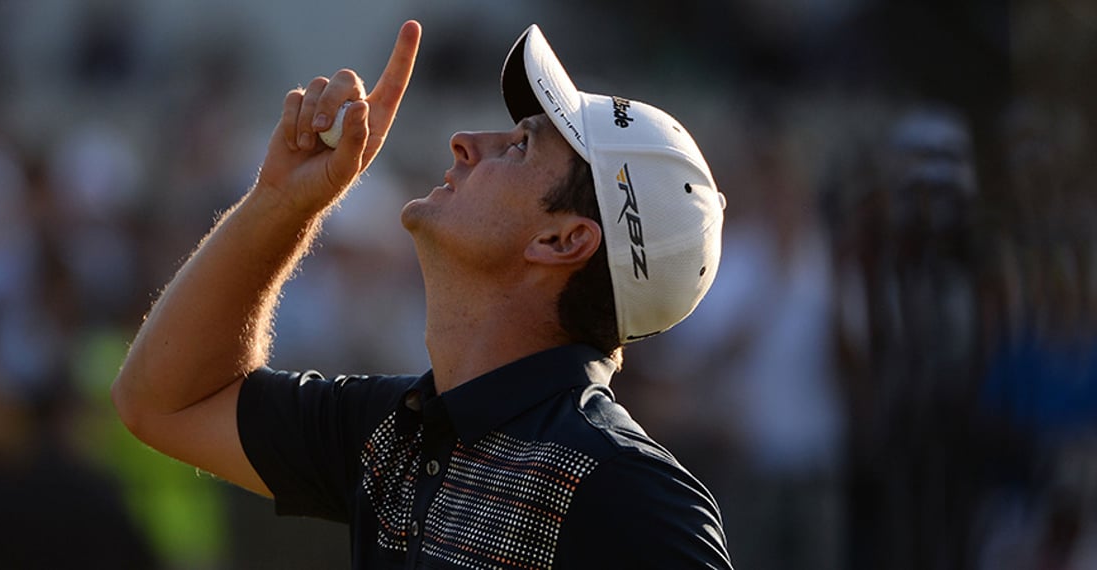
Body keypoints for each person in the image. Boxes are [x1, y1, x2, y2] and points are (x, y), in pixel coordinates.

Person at [112, 20, 732, 569]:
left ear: (562, 239)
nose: (466, 140)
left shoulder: (632, 495)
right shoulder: (398, 430)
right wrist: (281, 203)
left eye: (519, 147)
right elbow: (163, 400)